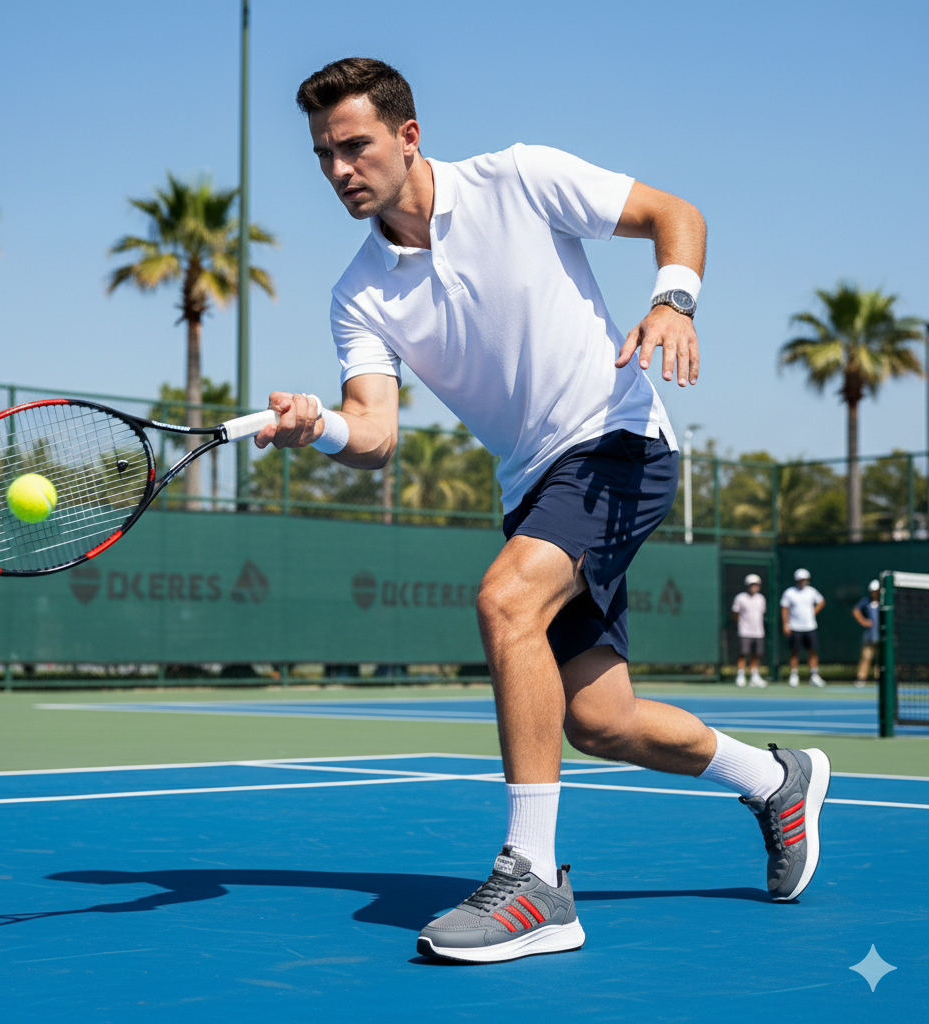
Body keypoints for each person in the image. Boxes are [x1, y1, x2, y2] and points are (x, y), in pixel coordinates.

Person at [258, 58, 831, 963]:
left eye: (354, 146)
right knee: (601, 721)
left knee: (507, 599)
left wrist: (674, 302)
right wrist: (317, 424)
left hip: (617, 442)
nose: (339, 170)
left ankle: (533, 878)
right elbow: (375, 433)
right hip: (532, 483)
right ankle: (774, 779)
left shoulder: (519, 179)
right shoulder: (358, 294)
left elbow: (675, 213)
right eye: (324, 155)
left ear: (408, 135)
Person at [780, 569, 826, 687]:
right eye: (801, 579)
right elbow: (784, 609)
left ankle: (814, 675)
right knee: (794, 651)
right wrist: (785, 624)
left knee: (812, 651)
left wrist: (812, 613)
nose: (803, 581)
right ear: (796, 580)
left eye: (804, 579)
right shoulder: (789, 593)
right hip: (795, 627)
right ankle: (794, 675)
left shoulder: (812, 591)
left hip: (810, 627)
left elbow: (821, 602)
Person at [732, 574, 767, 687]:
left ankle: (754, 676)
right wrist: (742, 624)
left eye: (756, 585)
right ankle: (740, 676)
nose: (754, 587)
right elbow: (735, 614)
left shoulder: (761, 599)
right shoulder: (740, 598)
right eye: (752, 585)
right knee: (742, 654)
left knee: (756, 655)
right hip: (744, 631)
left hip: (758, 632)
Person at [852, 580, 881, 688]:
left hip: (882, 636)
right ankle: (861, 678)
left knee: (881, 659)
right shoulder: (866, 601)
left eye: (876, 591)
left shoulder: (884, 602)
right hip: (869, 636)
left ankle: (880, 679)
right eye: (873, 591)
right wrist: (864, 621)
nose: (874, 593)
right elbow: (855, 610)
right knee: (866, 657)